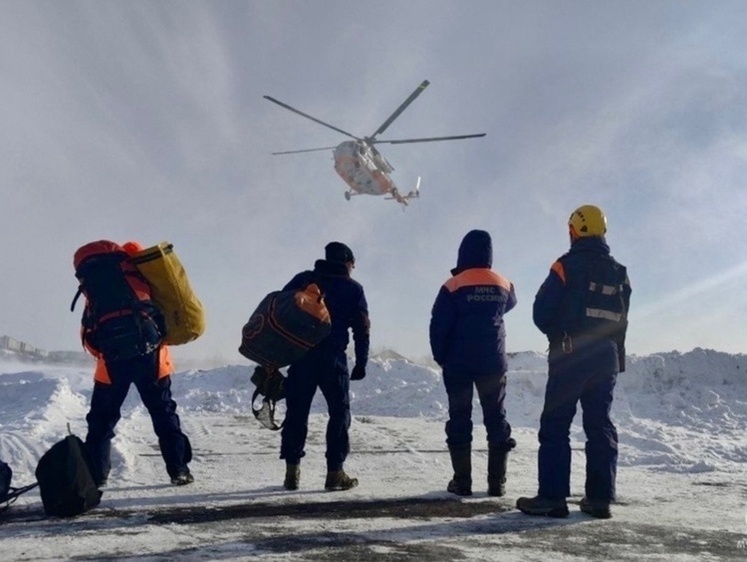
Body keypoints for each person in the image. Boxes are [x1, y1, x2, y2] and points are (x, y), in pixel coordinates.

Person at [517, 205, 631, 519]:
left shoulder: (564, 267)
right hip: (605, 358)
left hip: (570, 356)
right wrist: (615, 358)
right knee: (599, 425)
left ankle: (552, 498)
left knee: (556, 425)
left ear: (574, 231)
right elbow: (622, 321)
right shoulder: (621, 273)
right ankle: (599, 500)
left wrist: (560, 336)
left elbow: (541, 313)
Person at [83, 241, 193, 487]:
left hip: (111, 363)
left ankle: (95, 476)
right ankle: (179, 470)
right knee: (163, 413)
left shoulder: (96, 287)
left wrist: (106, 351)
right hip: (152, 358)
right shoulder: (138, 272)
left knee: (101, 420)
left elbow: (89, 335)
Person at [429, 230, 518, 497]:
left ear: (463, 253)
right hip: (493, 362)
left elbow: (438, 324)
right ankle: (496, 483)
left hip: (458, 363)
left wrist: (440, 356)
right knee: (496, 418)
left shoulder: (453, 285)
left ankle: (463, 481)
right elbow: (509, 305)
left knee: (459, 418)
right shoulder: (504, 284)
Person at [280, 241, 370, 491]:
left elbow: (280, 310)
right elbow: (362, 328)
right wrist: (361, 361)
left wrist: (276, 353)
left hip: (301, 355)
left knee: (297, 413)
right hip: (333, 359)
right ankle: (335, 473)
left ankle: (292, 472)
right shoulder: (353, 289)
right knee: (339, 414)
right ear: (347, 263)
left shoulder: (303, 279)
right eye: (353, 264)